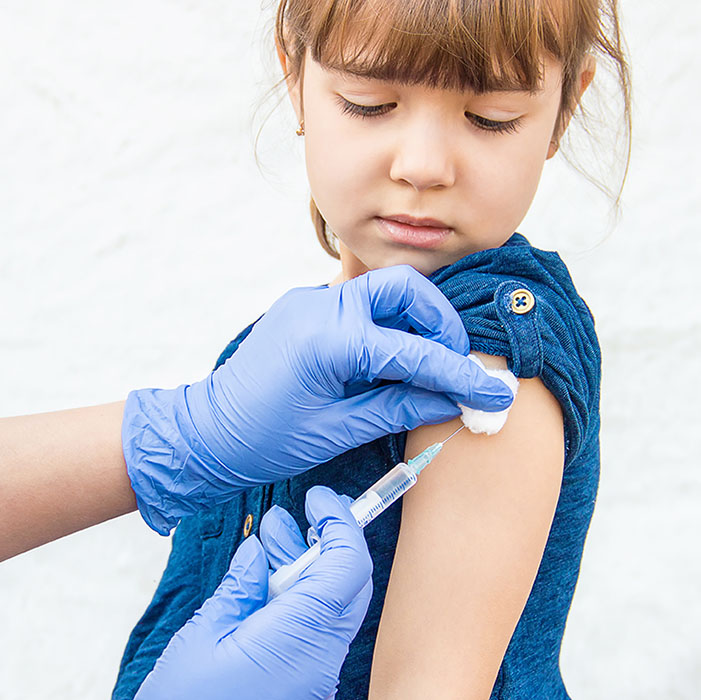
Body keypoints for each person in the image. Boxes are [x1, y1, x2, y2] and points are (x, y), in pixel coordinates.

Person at [112, 1, 632, 698]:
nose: (421, 167)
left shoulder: (493, 354)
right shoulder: (274, 348)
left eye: (490, 118)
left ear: (563, 110)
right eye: (369, 103)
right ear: (292, 74)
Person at [2, 266, 513, 698]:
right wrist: (189, 433)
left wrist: (185, 435)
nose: (421, 166)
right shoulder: (265, 347)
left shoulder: (504, 328)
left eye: (488, 136)